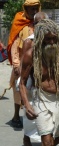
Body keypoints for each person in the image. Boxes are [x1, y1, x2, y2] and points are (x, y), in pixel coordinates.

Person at [7, 0, 41, 129]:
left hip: (38, 65)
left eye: (36, 8)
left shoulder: (41, 23)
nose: (34, 11)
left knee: (35, 91)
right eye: (31, 9)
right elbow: (14, 45)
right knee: (18, 91)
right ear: (25, 9)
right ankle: (16, 116)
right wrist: (16, 65)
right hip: (21, 64)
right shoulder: (20, 23)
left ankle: (35, 117)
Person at [21, 12, 49, 146]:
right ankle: (26, 139)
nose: (41, 26)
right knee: (30, 113)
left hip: (46, 85)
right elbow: (24, 66)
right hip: (30, 83)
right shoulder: (29, 41)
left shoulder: (52, 40)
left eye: (44, 23)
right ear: (34, 25)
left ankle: (46, 142)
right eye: (38, 23)